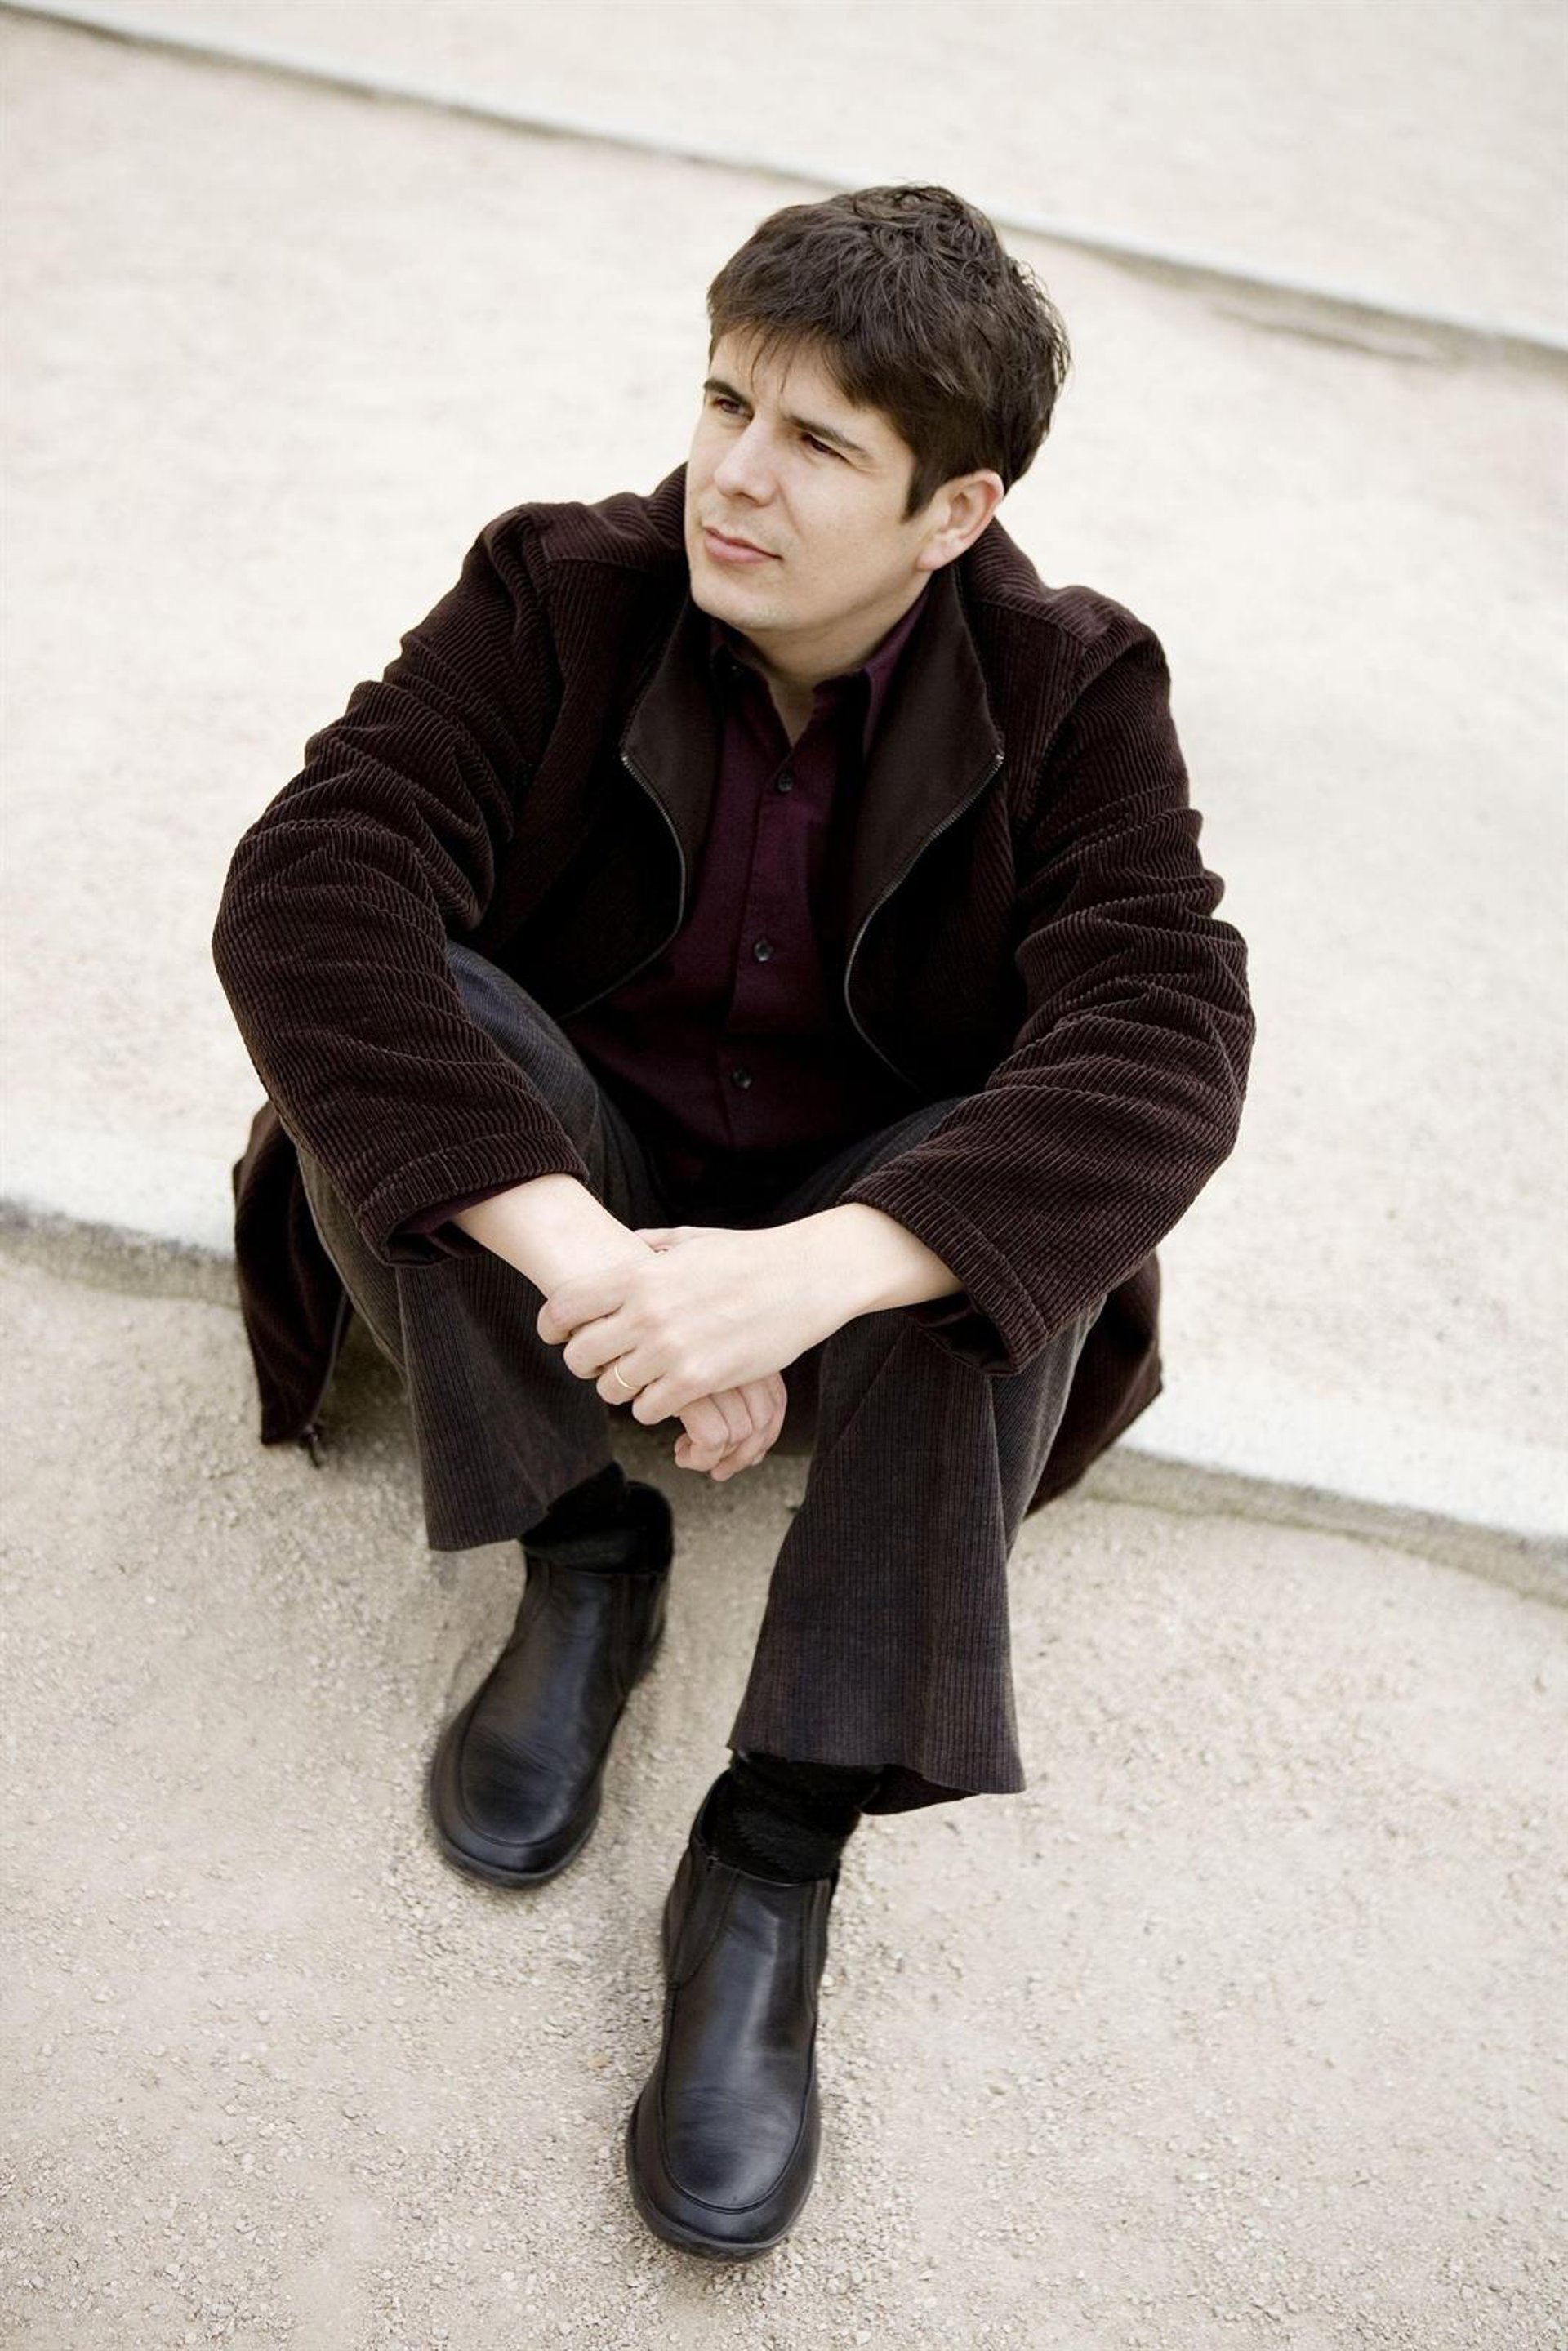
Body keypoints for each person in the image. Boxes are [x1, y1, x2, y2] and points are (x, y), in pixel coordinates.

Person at [212, 183, 1255, 2259]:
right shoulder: (557, 594)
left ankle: (776, 1841)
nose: (734, 477)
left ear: (954, 512)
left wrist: (806, 1280)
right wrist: (604, 1275)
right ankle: (586, 1556)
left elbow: (1172, 1034)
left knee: (1018, 1180)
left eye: (817, 444)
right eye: (723, 403)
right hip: (582, 1206)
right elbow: (309, 886)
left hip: (842, 1264)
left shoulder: (1072, 690)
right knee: (408, 1024)